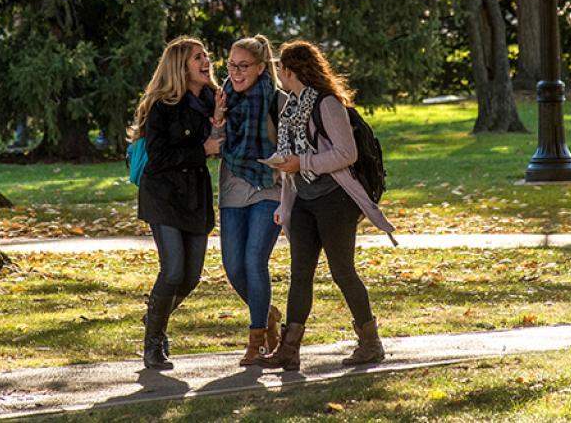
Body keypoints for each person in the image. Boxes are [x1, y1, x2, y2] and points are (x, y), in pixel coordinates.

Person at [257, 39, 396, 372]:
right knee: (300, 275)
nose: (279, 74)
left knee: (342, 271)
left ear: (290, 71)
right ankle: (289, 351)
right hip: (304, 199)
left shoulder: (328, 104)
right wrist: (285, 200)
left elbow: (346, 154)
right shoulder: (290, 108)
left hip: (335, 201)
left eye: (281, 69)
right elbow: (293, 166)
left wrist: (301, 161)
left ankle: (370, 342)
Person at [128, 37, 223, 370]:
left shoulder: (213, 100)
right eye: (197, 57)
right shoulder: (161, 105)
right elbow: (158, 158)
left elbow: (218, 142)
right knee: (172, 271)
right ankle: (153, 343)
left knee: (191, 277)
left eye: (206, 55)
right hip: (163, 195)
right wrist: (204, 150)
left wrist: (218, 134)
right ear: (180, 66)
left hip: (195, 196)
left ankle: (153, 315)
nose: (206, 61)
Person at [211, 35, 284, 365]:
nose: (236, 72)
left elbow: (293, 141)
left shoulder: (276, 99)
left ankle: (256, 342)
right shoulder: (223, 97)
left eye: (243, 66)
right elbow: (215, 145)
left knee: (254, 261)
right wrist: (216, 121)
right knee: (233, 266)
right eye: (230, 65)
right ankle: (267, 314)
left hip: (268, 185)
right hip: (232, 188)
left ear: (260, 67)